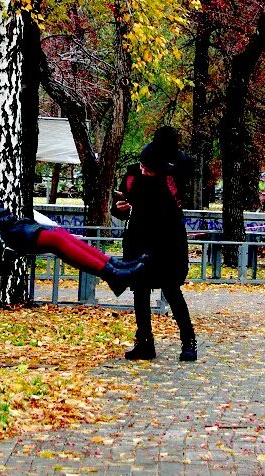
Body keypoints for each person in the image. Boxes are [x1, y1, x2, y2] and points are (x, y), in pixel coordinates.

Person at [0, 139, 148, 296]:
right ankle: (113, 273)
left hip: (10, 227)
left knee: (60, 234)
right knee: (56, 240)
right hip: (2, 239)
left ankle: (116, 268)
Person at [116, 126, 197, 361]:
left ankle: (188, 341)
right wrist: (120, 209)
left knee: (172, 290)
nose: (143, 170)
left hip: (168, 241)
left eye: (148, 168)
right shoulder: (132, 175)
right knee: (140, 292)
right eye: (142, 165)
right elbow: (121, 205)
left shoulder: (173, 179)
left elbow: (179, 201)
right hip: (139, 240)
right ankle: (144, 342)